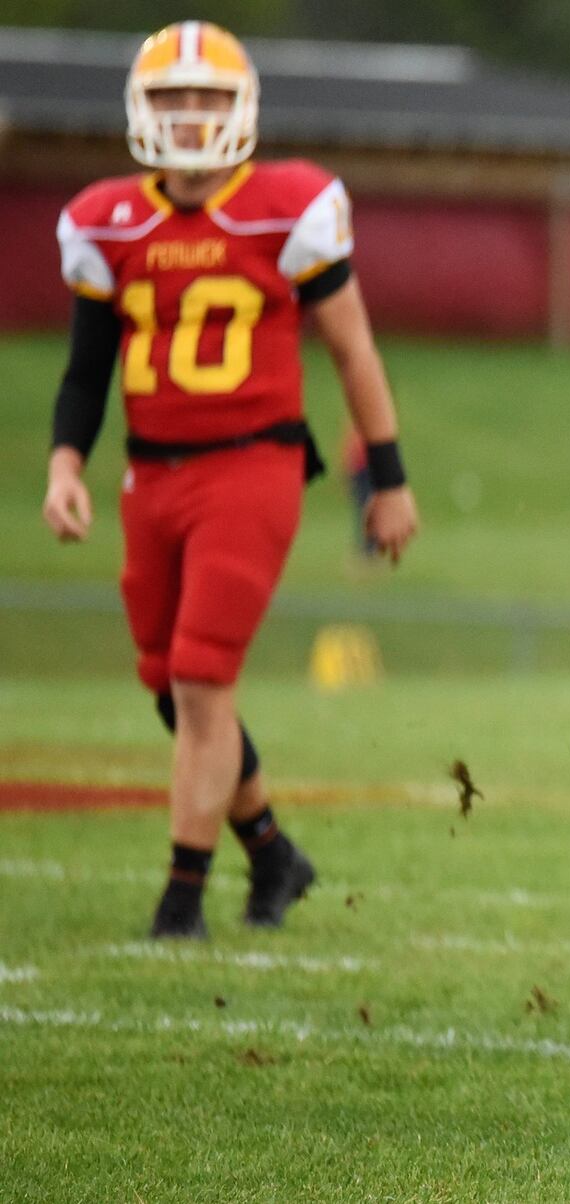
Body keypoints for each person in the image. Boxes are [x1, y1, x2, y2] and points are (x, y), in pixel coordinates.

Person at [41, 22, 419, 939]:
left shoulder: (285, 206)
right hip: (149, 474)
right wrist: (64, 463)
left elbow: (352, 347)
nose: (191, 115)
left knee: (204, 680)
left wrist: (389, 479)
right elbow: (88, 367)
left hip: (253, 464)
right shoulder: (108, 219)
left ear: (242, 108)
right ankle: (275, 854)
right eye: (173, 98)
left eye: (208, 97)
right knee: (165, 682)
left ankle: (181, 901)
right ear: (140, 109)